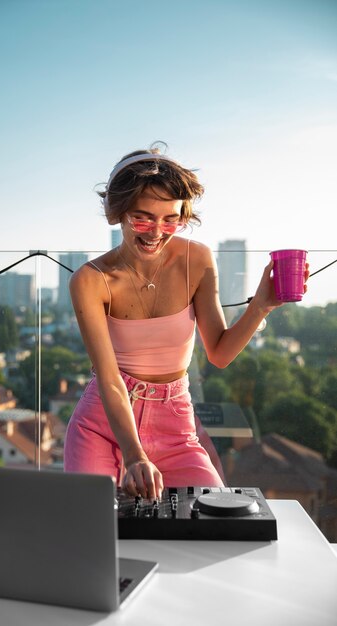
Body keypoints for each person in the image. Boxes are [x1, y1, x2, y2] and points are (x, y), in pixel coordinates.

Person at [63, 144, 308, 500]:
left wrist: (260, 306)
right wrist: (134, 455)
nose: (156, 232)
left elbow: (220, 353)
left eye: (170, 219)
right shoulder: (90, 279)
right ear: (117, 212)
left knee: (214, 522)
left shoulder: (198, 259)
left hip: (176, 425)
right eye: (142, 217)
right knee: (93, 531)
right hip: (103, 426)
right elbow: (109, 379)